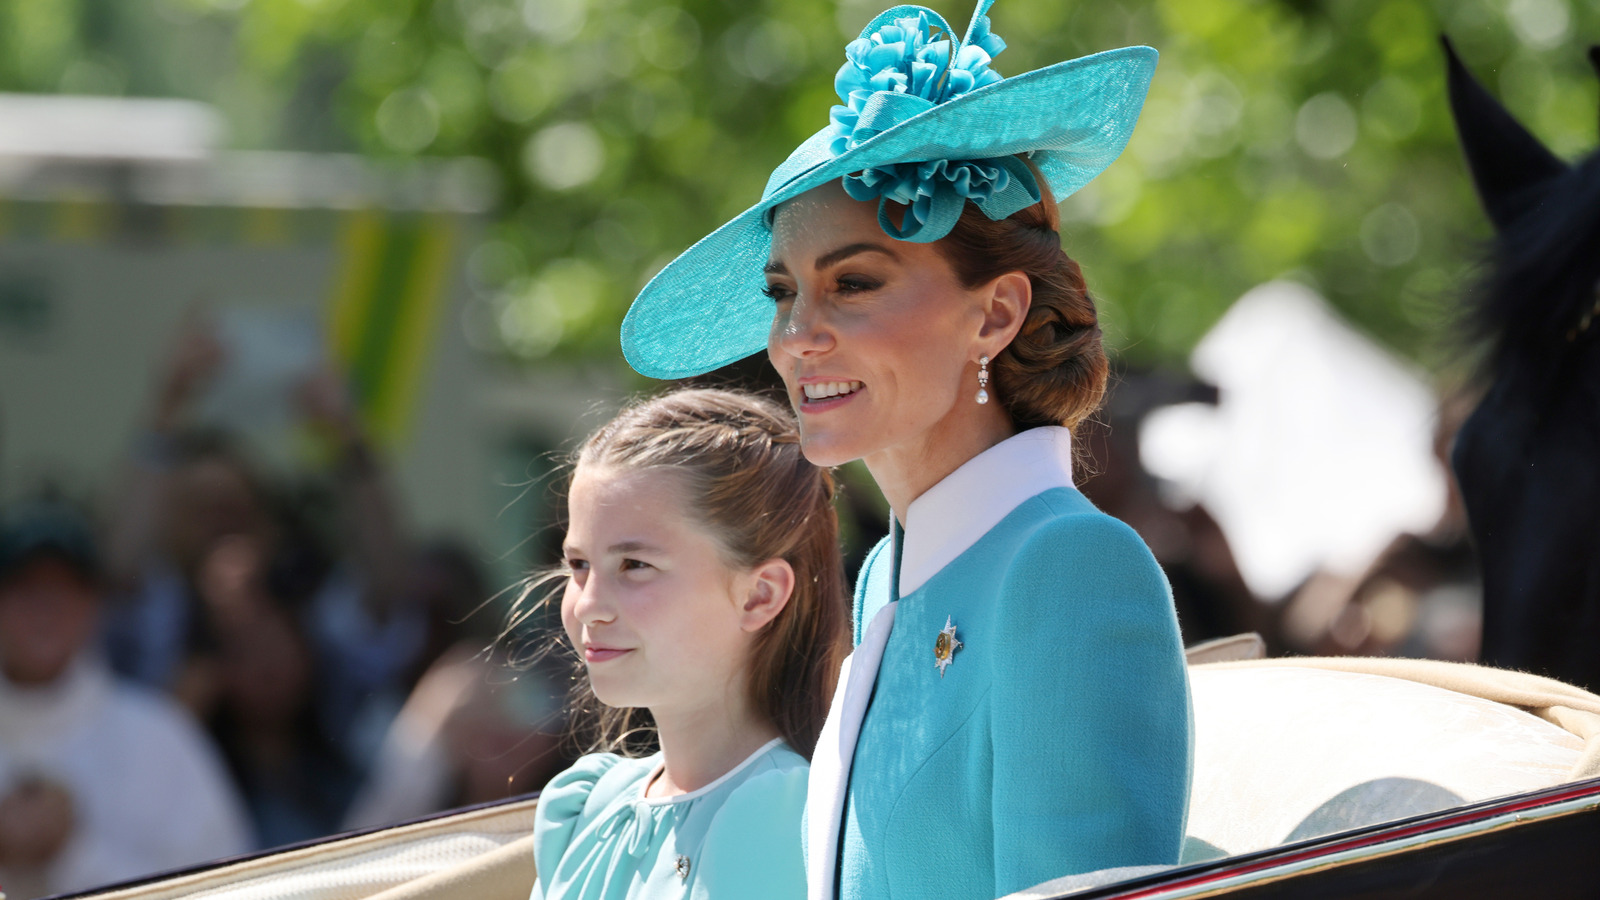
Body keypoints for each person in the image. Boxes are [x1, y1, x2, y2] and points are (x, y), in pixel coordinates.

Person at [617, 3, 1192, 898]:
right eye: (783, 291)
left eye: (852, 283)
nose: (796, 337)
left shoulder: (1073, 565)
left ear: (993, 314)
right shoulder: (889, 569)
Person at [527, 389, 848, 900]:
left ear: (759, 595)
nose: (588, 605)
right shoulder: (584, 807)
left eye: (634, 566)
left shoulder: (779, 816)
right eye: (579, 565)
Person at [0, 499, 251, 900]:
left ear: (93, 606)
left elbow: (232, 889)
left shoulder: (160, 735)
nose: (45, 608)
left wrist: (72, 854)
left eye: (64, 589)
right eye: (24, 589)